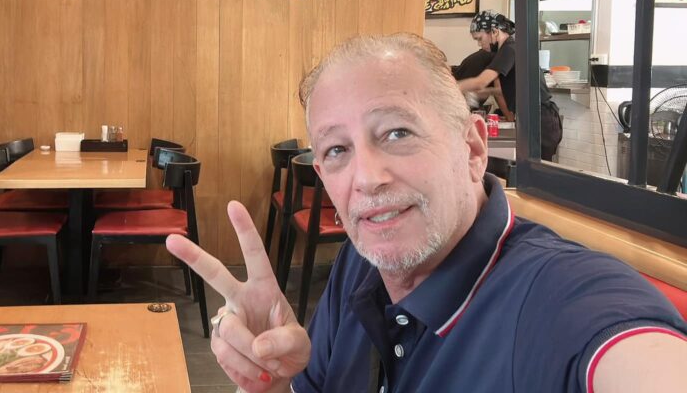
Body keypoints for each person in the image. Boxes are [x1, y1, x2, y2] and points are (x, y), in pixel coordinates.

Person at [167, 33, 687, 393]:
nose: (366, 178)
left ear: (473, 149)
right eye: (337, 150)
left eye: (397, 133)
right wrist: (274, 385)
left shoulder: (562, 296)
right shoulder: (360, 264)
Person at [457, 10, 563, 160]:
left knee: (535, 171)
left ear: (494, 32)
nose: (480, 44)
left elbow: (481, 81)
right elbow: (500, 90)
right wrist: (480, 93)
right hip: (536, 118)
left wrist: (450, 88)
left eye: (480, 38)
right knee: (529, 169)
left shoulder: (509, 48)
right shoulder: (507, 49)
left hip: (541, 120)